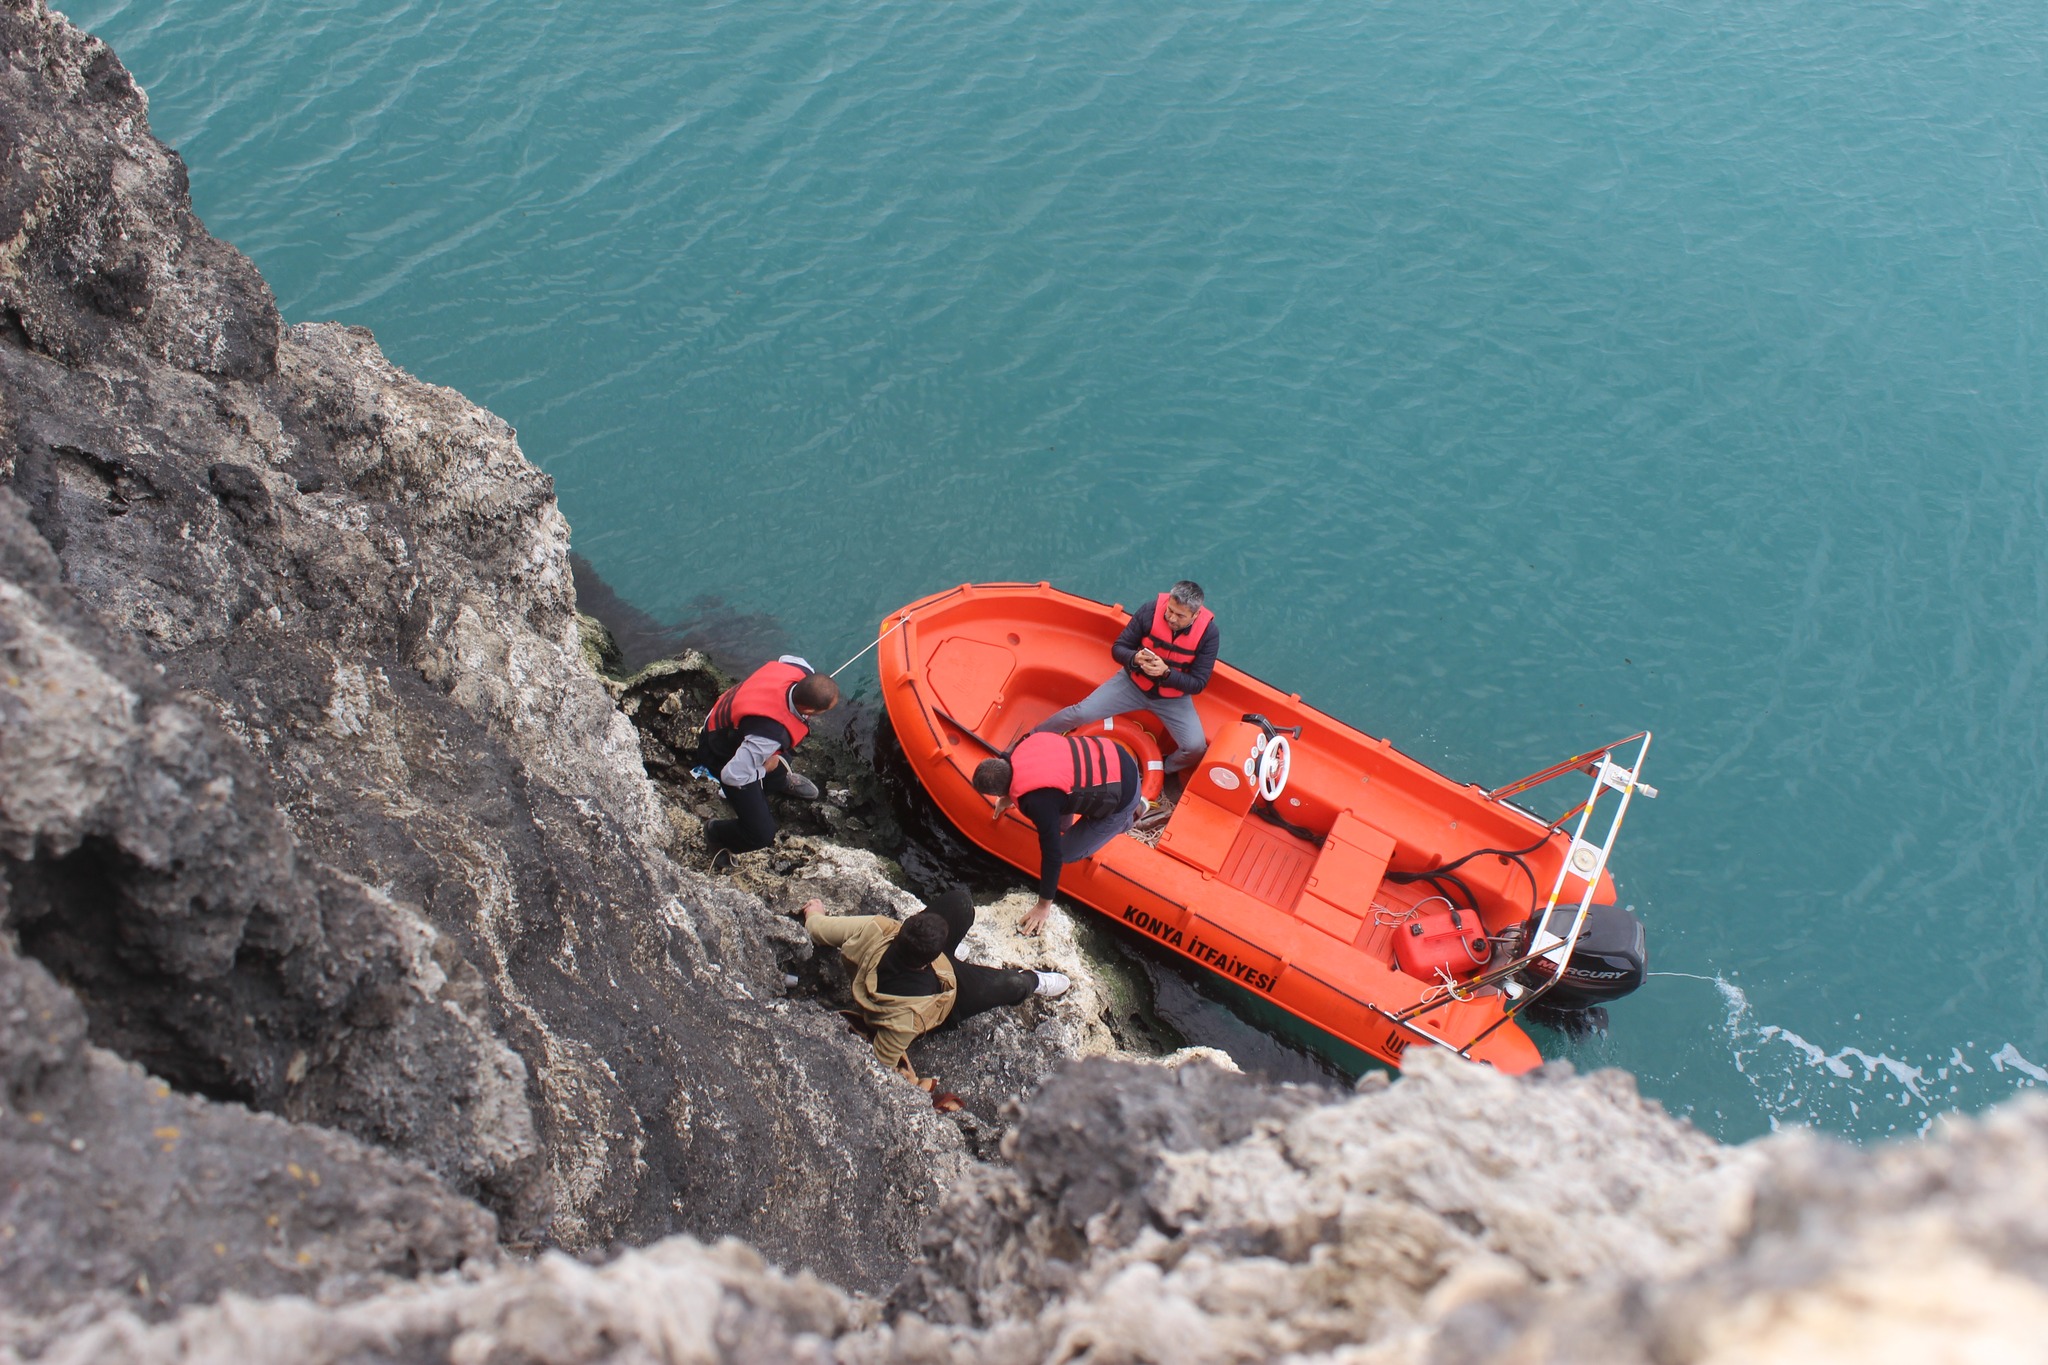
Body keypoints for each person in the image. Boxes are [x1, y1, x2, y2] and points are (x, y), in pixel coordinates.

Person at [802, 889, 1069, 1088]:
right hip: (946, 998)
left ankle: (951, 952)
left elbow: (817, 929)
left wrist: (814, 912)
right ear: (933, 957)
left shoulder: (878, 929)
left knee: (961, 902)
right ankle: (1034, 980)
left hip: (919, 961)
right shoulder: (907, 1018)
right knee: (1013, 984)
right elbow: (879, 1064)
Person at [1032, 580, 1218, 780]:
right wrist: (1134, 658)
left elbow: (1198, 683)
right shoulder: (1149, 611)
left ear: (1195, 615)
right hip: (1132, 684)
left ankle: (1162, 770)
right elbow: (1119, 648)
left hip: (1172, 697)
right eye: (1170, 611)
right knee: (1081, 712)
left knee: (1195, 747)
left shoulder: (1209, 634)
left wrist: (1166, 673)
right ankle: (1034, 736)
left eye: (1180, 616)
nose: (1171, 618)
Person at [971, 729, 1145, 935]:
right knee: (1063, 810)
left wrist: (1043, 907)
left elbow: (1052, 856)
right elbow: (1042, 771)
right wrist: (1009, 798)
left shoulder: (1038, 803)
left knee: (1067, 852)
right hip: (1116, 755)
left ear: (999, 791)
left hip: (1123, 795)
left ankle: (1131, 815)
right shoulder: (1025, 743)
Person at [696, 654, 839, 866]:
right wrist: (765, 767)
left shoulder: (798, 668)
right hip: (721, 748)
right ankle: (716, 833)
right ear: (809, 711)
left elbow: (784, 658)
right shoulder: (768, 735)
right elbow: (733, 775)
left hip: (735, 723)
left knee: (782, 759)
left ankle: (779, 781)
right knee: (761, 833)